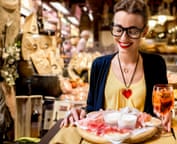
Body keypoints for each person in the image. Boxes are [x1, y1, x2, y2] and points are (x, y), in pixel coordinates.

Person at [60, 0, 171, 132]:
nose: (123, 37)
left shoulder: (156, 64)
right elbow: (91, 110)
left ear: (144, 32)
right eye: (118, 29)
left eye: (133, 31)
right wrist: (79, 113)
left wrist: (166, 113)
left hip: (143, 140)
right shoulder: (98, 65)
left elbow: (162, 107)